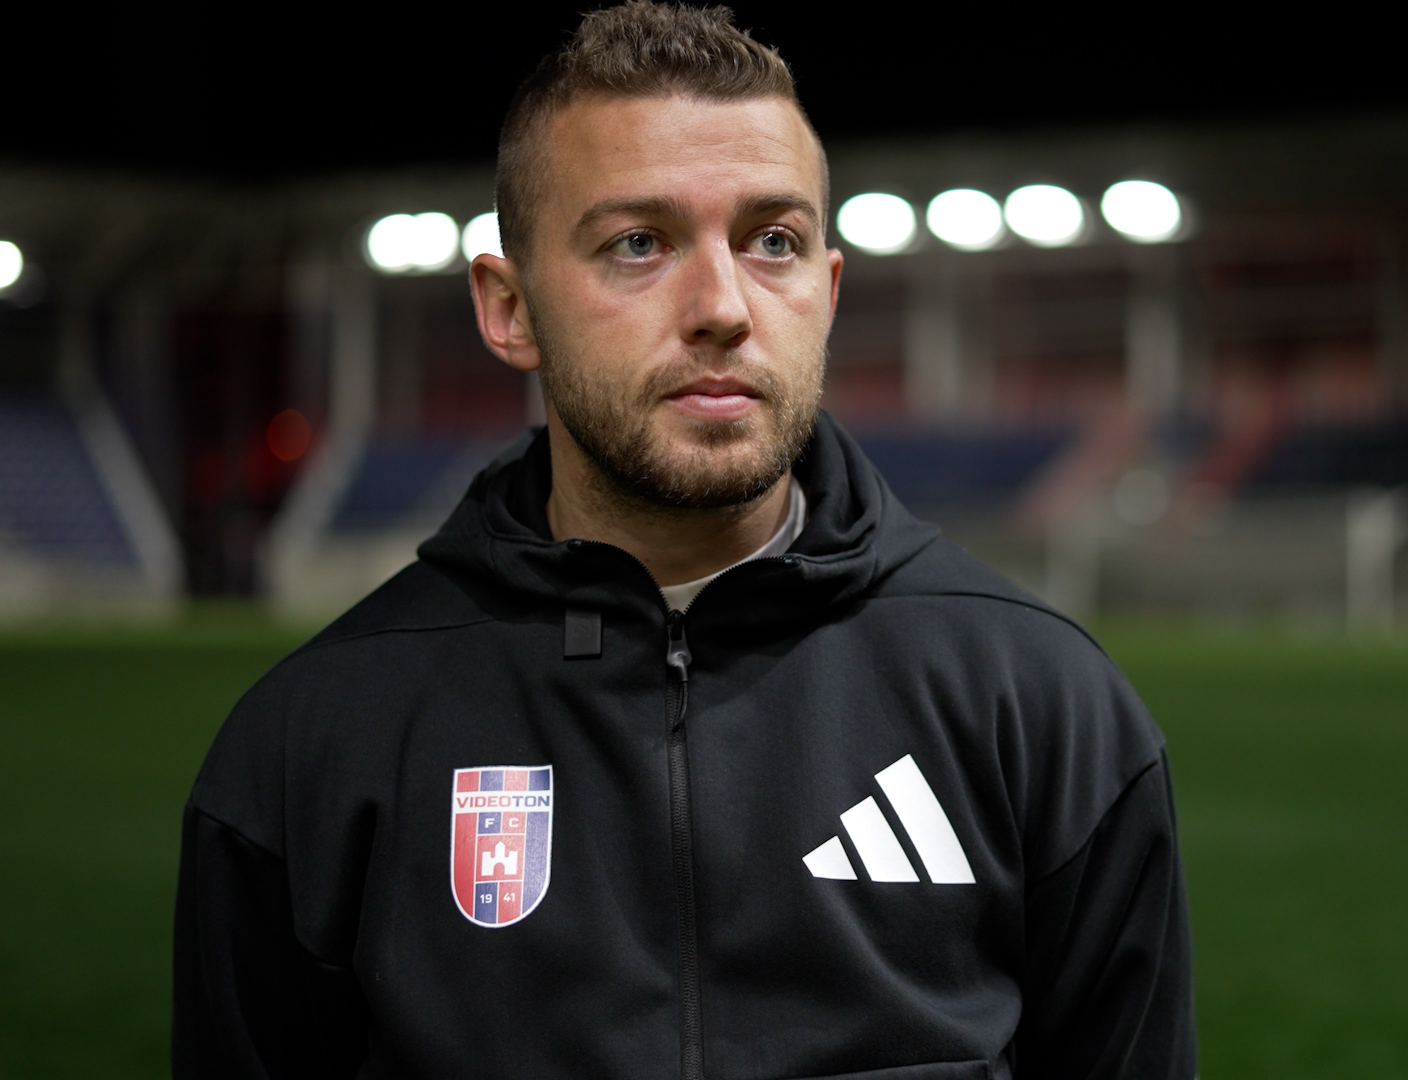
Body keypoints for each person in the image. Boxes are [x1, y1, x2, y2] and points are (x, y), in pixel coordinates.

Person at [172, 3, 1194, 1077]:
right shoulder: (313, 743)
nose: (723, 306)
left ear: (827, 293)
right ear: (509, 308)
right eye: (638, 244)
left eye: (773, 241)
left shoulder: (1040, 705)